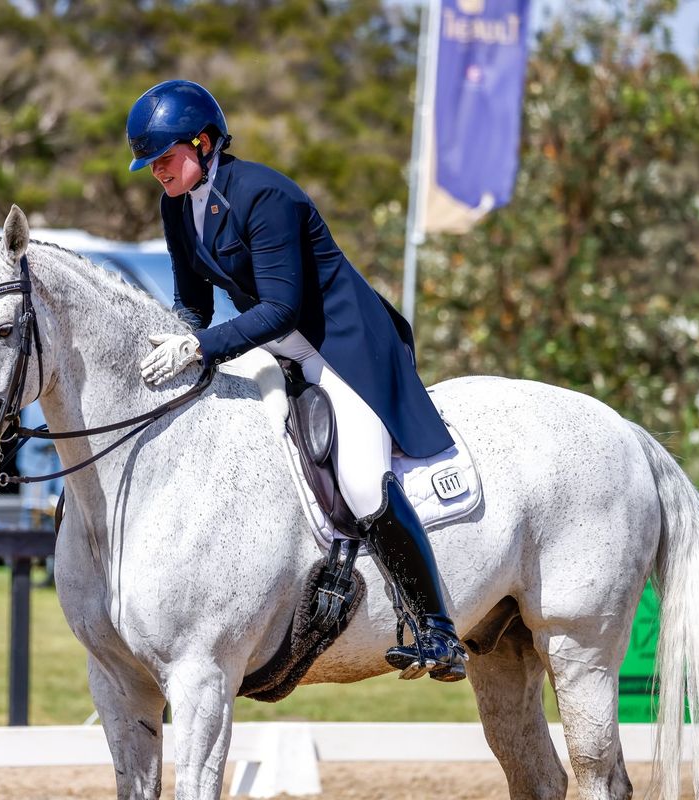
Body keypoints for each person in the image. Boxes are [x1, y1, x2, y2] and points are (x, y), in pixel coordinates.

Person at [128, 79, 467, 681]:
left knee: (363, 483)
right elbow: (194, 305)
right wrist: (173, 339)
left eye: (165, 157)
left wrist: (200, 346)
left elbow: (282, 307)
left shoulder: (264, 195)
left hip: (343, 351)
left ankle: (436, 628)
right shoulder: (177, 206)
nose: (157, 171)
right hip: (280, 353)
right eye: (150, 163)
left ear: (203, 143)